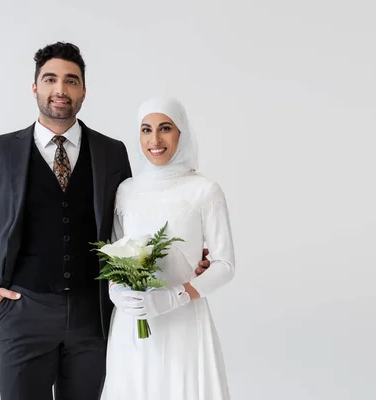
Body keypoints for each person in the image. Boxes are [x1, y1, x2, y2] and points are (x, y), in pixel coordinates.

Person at [0, 42, 211, 400]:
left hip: (95, 316)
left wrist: (188, 252)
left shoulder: (112, 151)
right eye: (50, 79)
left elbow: (132, 222)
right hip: (22, 311)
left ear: (83, 91)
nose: (60, 90)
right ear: (35, 88)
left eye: (71, 81)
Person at [100, 97, 236, 400]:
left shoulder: (204, 190)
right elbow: (114, 252)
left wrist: (174, 297)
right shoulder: (127, 190)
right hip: (132, 324)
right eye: (146, 130)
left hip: (184, 320)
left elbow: (225, 265)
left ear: (181, 133)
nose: (155, 139)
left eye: (165, 128)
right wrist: (119, 293)